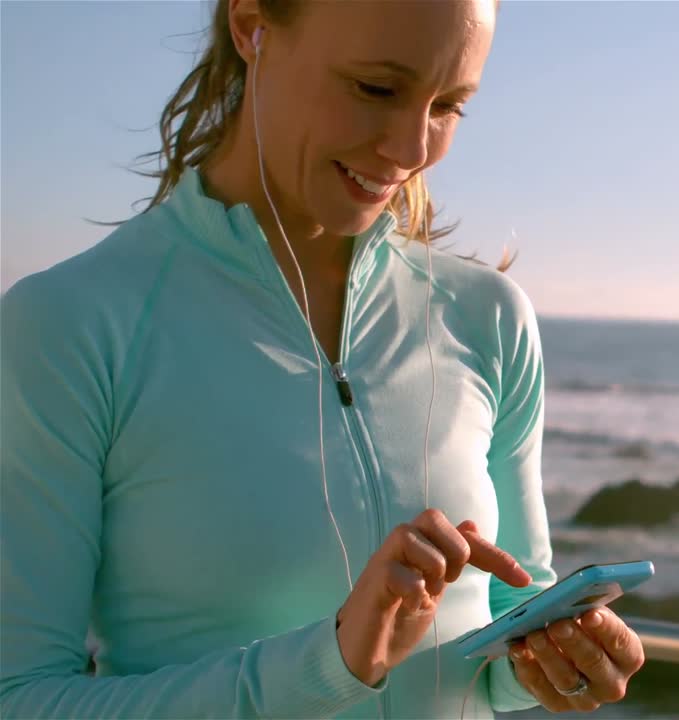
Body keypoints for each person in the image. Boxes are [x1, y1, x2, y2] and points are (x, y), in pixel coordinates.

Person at [0, 0, 645, 717]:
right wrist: (328, 664)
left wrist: (548, 660)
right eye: (376, 88)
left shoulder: (489, 317)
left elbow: (504, 620)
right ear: (252, 28)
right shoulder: (69, 325)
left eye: (449, 105)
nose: (411, 148)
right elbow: (22, 697)